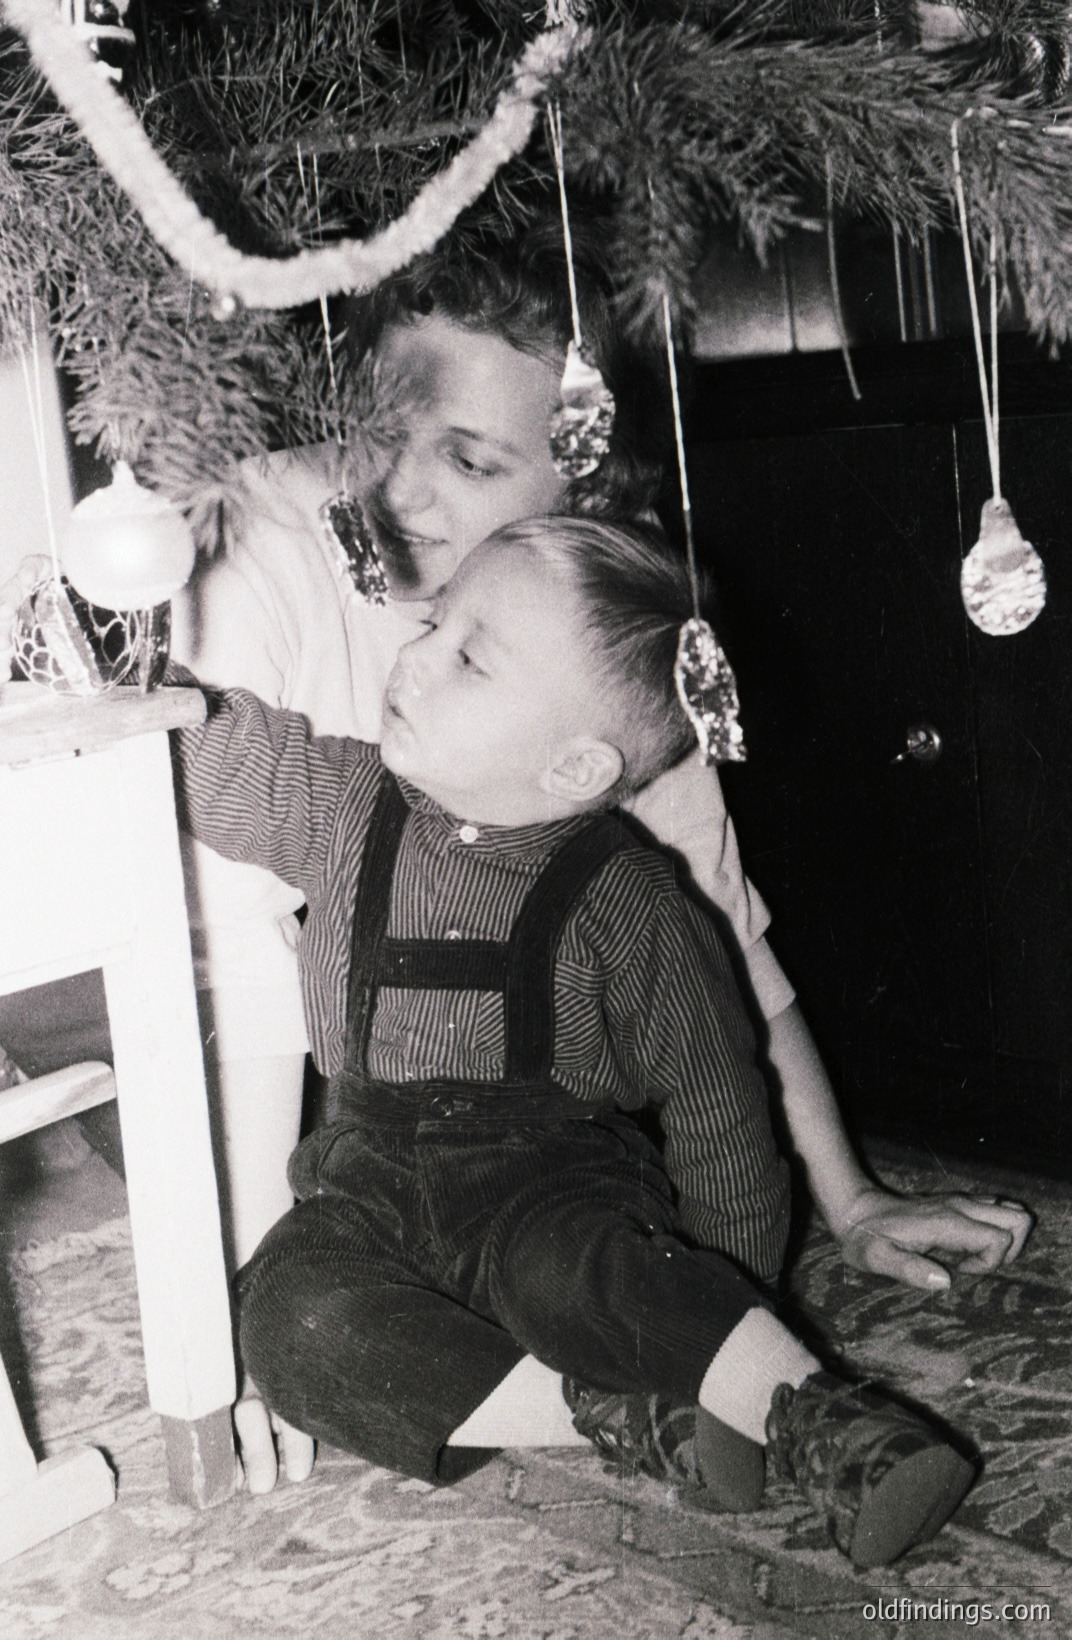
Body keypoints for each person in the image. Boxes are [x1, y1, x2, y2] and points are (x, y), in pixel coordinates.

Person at [0, 218, 1032, 1494]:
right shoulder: (255, 544)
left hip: (513, 1128)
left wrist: (848, 1194)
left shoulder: (595, 662)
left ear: (584, 496)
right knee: (305, 1298)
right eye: (383, 427)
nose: (403, 489)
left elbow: (723, 969)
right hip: (222, 1026)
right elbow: (237, 950)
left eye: (473, 459)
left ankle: (692, 1399)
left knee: (577, 1245)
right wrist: (214, 1319)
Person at [168, 516, 977, 1569]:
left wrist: (724, 1292)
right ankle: (622, 1409)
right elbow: (229, 758)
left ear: (575, 764)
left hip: (545, 1179)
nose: (413, 655)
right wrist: (134, 668)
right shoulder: (341, 800)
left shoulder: (632, 896)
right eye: (433, 619)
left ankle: (829, 1420)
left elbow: (717, 1103)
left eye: (468, 656)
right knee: (285, 1322)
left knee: (584, 1274)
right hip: (364, 1174)